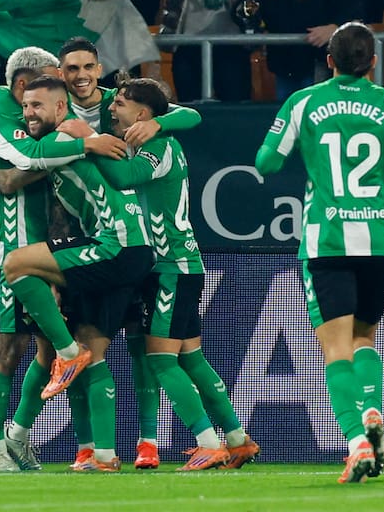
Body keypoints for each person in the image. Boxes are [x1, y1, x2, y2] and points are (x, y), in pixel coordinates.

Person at [254, 21, 384, 483]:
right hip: (378, 239)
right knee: (364, 340)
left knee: (335, 349)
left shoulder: (304, 101)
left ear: (329, 61)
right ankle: (373, 410)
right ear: (374, 62)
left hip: (328, 239)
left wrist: (306, 152)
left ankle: (357, 442)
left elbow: (266, 162)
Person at [79, 75, 260, 470]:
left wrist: (85, 146)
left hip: (170, 268)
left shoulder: (158, 147)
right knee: (192, 358)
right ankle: (236, 437)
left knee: (161, 360)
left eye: (120, 104)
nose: (112, 108)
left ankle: (208, 443)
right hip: (178, 266)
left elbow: (123, 179)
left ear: (142, 114)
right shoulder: (155, 140)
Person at [0, 46, 111, 472]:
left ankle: (17, 437)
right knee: (8, 348)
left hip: (53, 253)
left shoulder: (49, 122)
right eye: (50, 78)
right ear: (24, 85)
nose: (61, 81)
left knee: (50, 355)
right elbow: (13, 177)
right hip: (14, 253)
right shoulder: (8, 125)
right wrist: (87, 145)